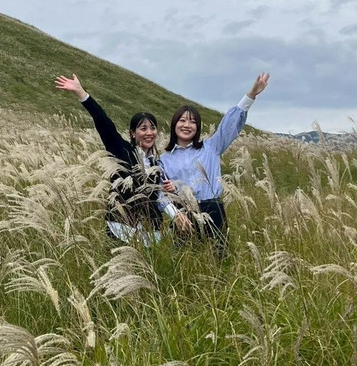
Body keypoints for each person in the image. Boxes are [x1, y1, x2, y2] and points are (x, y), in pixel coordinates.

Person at [55, 74, 191, 244]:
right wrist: (82, 93)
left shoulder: (156, 164)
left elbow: (159, 196)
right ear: (133, 133)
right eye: (143, 128)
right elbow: (104, 124)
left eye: (152, 128)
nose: (149, 133)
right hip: (121, 228)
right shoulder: (122, 150)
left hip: (150, 233)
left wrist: (176, 214)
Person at [160, 73, 270, 258]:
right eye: (182, 120)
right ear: (174, 125)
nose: (187, 125)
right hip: (183, 214)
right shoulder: (164, 158)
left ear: (198, 128)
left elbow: (229, 125)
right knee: (183, 263)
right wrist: (173, 206)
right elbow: (160, 193)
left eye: (193, 122)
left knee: (218, 261)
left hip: (212, 210)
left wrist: (252, 94)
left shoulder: (211, 147)